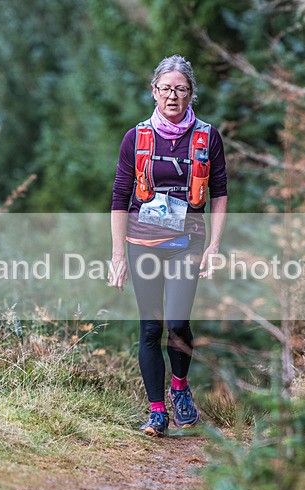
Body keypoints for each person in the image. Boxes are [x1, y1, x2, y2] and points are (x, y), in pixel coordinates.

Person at [108, 55, 228, 437]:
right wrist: (117, 257)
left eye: (180, 89)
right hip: (142, 241)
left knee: (177, 323)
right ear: (154, 91)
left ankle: (179, 388)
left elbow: (220, 193)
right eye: (165, 89)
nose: (172, 96)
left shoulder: (207, 137)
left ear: (191, 93)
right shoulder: (136, 137)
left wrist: (215, 246)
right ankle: (157, 412)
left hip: (187, 243)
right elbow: (119, 196)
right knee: (150, 327)